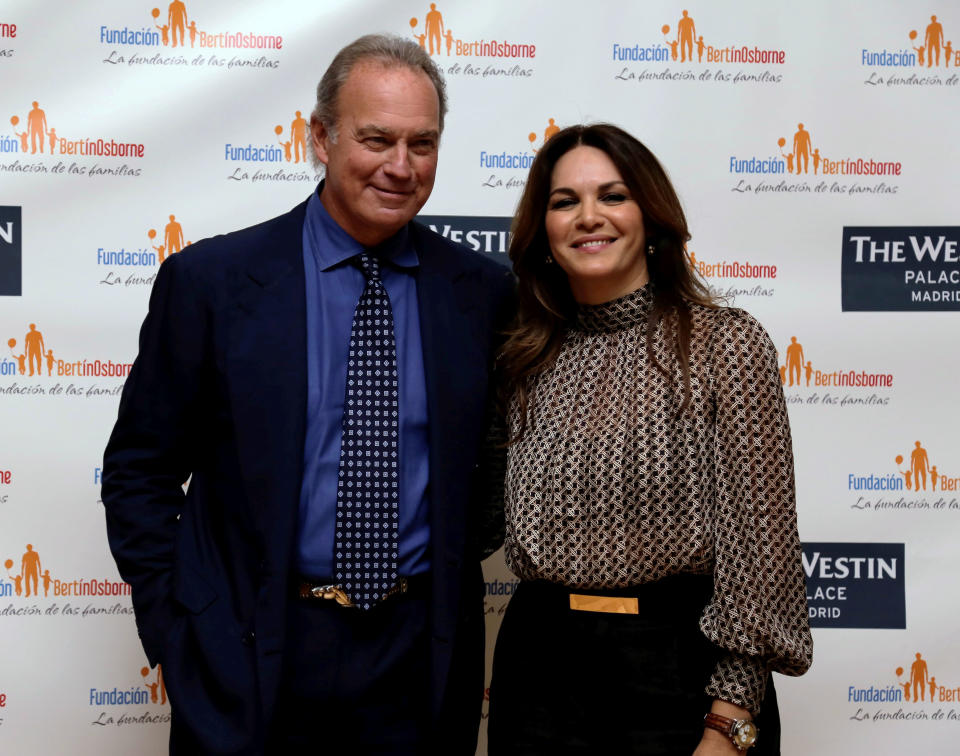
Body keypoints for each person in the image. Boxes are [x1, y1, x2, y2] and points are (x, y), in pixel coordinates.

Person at [102, 33, 514, 755]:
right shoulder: (213, 283)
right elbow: (140, 470)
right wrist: (181, 629)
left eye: (423, 143)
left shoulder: (479, 292)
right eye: (377, 139)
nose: (400, 166)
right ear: (320, 137)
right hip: (252, 648)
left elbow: (492, 470)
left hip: (416, 661)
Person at [486, 124, 812, 755]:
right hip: (539, 676)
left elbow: (761, 557)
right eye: (564, 202)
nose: (588, 217)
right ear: (543, 232)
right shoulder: (522, 360)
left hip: (682, 678)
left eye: (613, 196)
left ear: (652, 217)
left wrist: (729, 724)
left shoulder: (725, 346)